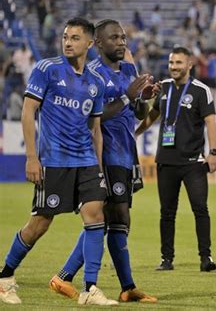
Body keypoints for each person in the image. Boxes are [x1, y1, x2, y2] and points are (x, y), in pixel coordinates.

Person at [0, 18, 117, 306]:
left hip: (86, 161)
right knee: (39, 224)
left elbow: (96, 129)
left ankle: (90, 289)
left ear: (89, 43)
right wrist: (31, 156)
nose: (68, 42)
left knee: (96, 216)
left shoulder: (97, 82)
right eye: (65, 37)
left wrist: (99, 170)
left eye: (75, 38)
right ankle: (5, 276)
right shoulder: (47, 70)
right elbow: (28, 112)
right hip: (53, 161)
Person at [47, 19, 158, 304]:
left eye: (123, 37)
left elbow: (136, 112)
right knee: (111, 217)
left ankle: (122, 286)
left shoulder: (130, 70)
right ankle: (84, 279)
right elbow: (91, 117)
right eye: (114, 38)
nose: (121, 42)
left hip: (125, 151)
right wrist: (126, 96)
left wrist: (144, 99)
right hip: (103, 154)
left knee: (118, 219)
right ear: (97, 44)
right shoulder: (92, 75)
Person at [136, 46, 216, 272]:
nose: (174, 67)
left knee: (200, 209)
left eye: (179, 63)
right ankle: (166, 259)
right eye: (171, 63)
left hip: (193, 161)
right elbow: (153, 115)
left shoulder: (201, 90)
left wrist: (213, 153)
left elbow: (210, 121)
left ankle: (206, 257)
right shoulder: (162, 88)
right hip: (166, 160)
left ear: (189, 64)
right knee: (167, 212)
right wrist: (133, 134)